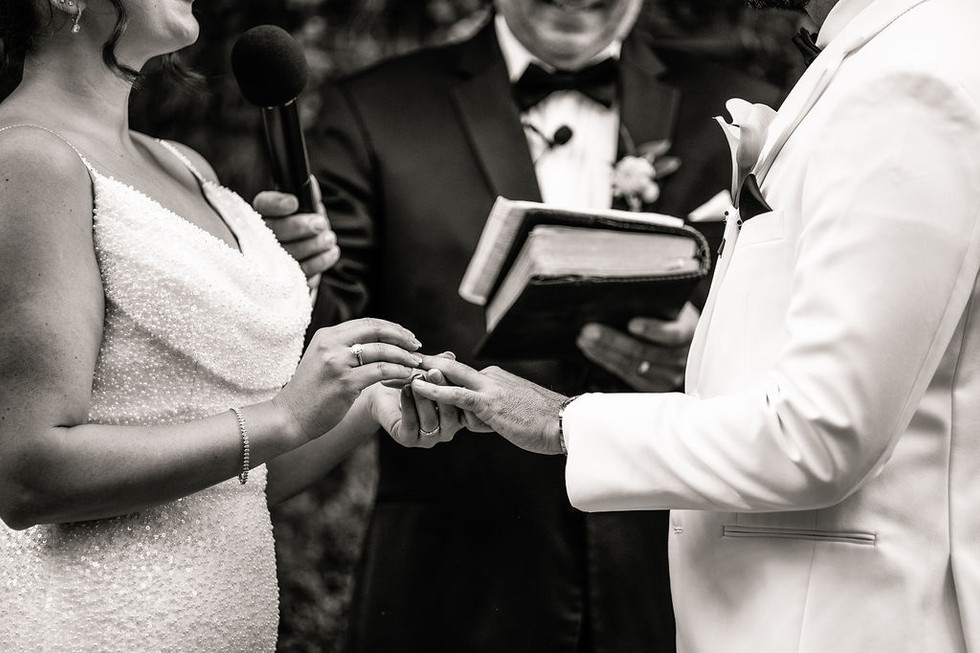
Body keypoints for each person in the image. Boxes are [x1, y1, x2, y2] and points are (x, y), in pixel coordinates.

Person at [411, 0, 980, 650]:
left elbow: (821, 434)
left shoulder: (913, 82)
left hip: (838, 623)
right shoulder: (886, 58)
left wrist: (564, 419)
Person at [289, 1, 779, 650]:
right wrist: (290, 268)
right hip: (456, 585)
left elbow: (805, 348)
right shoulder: (376, 109)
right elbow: (320, 343)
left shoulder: (749, 112)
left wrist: (708, 352)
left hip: (678, 585)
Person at [0, 1, 458, 650]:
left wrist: (367, 398)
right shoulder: (28, 160)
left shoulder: (189, 170)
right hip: (87, 626)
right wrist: (286, 416)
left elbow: (238, 484)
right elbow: (25, 474)